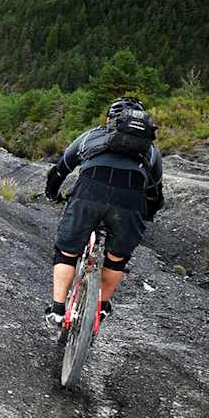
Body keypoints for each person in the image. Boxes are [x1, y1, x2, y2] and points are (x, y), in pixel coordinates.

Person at [43, 97, 164, 329]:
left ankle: (58, 311)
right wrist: (146, 214)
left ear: (109, 119)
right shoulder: (150, 150)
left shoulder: (91, 136)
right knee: (117, 259)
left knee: (67, 252)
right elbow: (155, 192)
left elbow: (59, 171)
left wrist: (52, 194)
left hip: (89, 192)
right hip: (129, 202)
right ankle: (101, 306)